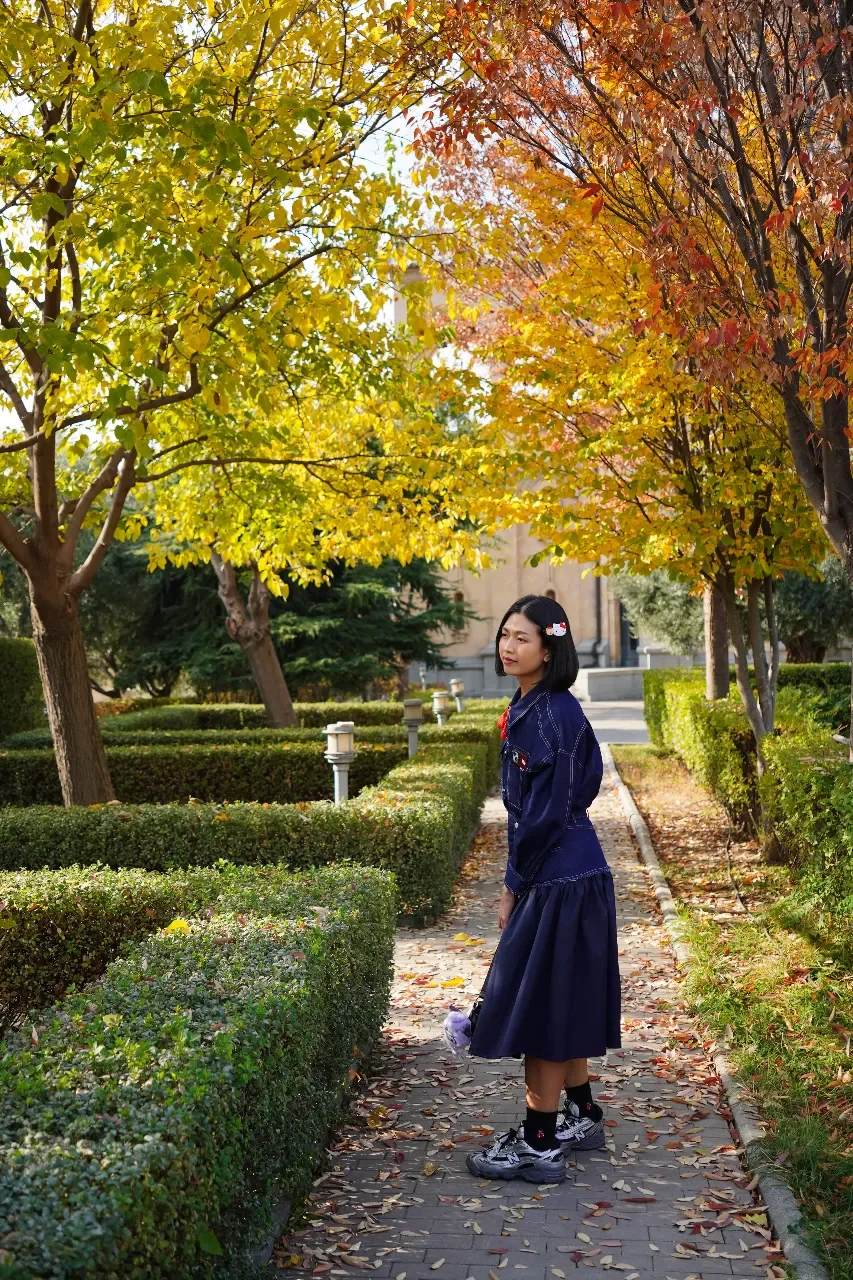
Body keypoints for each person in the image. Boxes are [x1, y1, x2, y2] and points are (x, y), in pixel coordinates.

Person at [466, 594, 622, 1184]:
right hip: (573, 872)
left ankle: (538, 1143)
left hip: (558, 878)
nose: (507, 646)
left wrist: (513, 884)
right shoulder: (544, 706)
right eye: (505, 634)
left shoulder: (550, 713)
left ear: (549, 648)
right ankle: (579, 1114)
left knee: (541, 1012)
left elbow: (542, 815)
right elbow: (584, 784)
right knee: (561, 1000)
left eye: (521, 638)